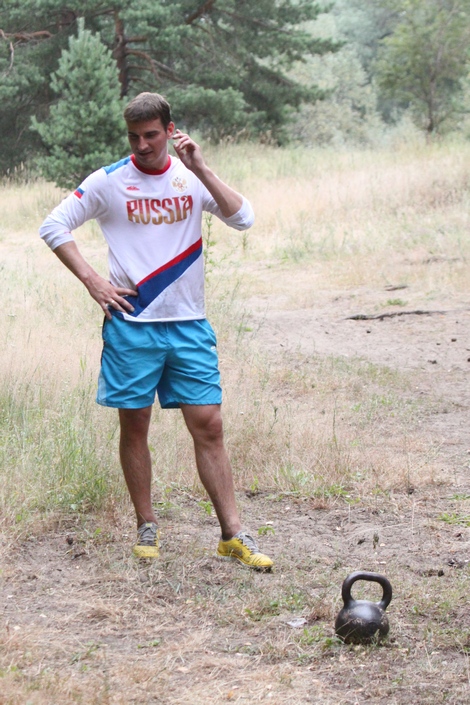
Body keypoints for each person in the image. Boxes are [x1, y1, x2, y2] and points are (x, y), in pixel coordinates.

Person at [39, 92, 273, 571]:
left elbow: (243, 218)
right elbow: (54, 225)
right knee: (135, 424)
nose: (142, 145)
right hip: (132, 324)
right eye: (134, 137)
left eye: (150, 135)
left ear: (170, 130)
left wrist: (201, 167)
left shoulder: (190, 177)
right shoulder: (109, 181)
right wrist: (93, 281)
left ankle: (233, 534)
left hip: (188, 323)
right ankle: (146, 525)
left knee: (209, 425)